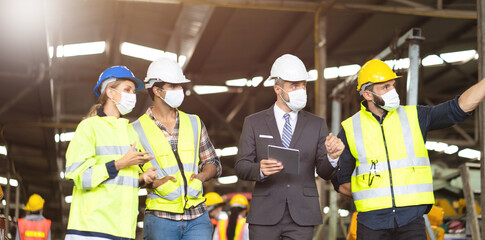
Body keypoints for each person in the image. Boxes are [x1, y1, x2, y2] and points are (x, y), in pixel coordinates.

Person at [334, 59, 483, 240]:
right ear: (367, 94)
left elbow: (457, 108)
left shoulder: (415, 116)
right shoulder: (350, 128)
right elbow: (341, 182)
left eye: (393, 86)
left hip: (411, 221)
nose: (392, 92)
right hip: (371, 223)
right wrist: (373, 199)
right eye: (385, 87)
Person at [234, 54, 344, 239]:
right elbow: (241, 166)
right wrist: (259, 169)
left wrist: (332, 158)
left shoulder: (316, 124)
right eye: (294, 85)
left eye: (303, 85)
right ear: (277, 89)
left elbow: (324, 173)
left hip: (302, 215)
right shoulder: (254, 122)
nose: (301, 90)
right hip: (264, 215)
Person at [132, 57, 222, 240]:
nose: (180, 91)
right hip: (160, 218)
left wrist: (204, 175)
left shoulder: (194, 122)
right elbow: (128, 177)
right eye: (173, 86)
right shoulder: (134, 130)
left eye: (180, 86)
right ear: (157, 90)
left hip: (198, 217)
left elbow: (213, 162)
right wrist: (148, 182)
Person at [65, 66, 158, 240]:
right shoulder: (88, 127)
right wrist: (119, 163)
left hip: (123, 230)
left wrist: (142, 178)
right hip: (91, 229)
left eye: (133, 91)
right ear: (110, 92)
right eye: (127, 90)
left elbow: (123, 182)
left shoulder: (130, 132)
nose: (132, 95)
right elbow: (79, 176)